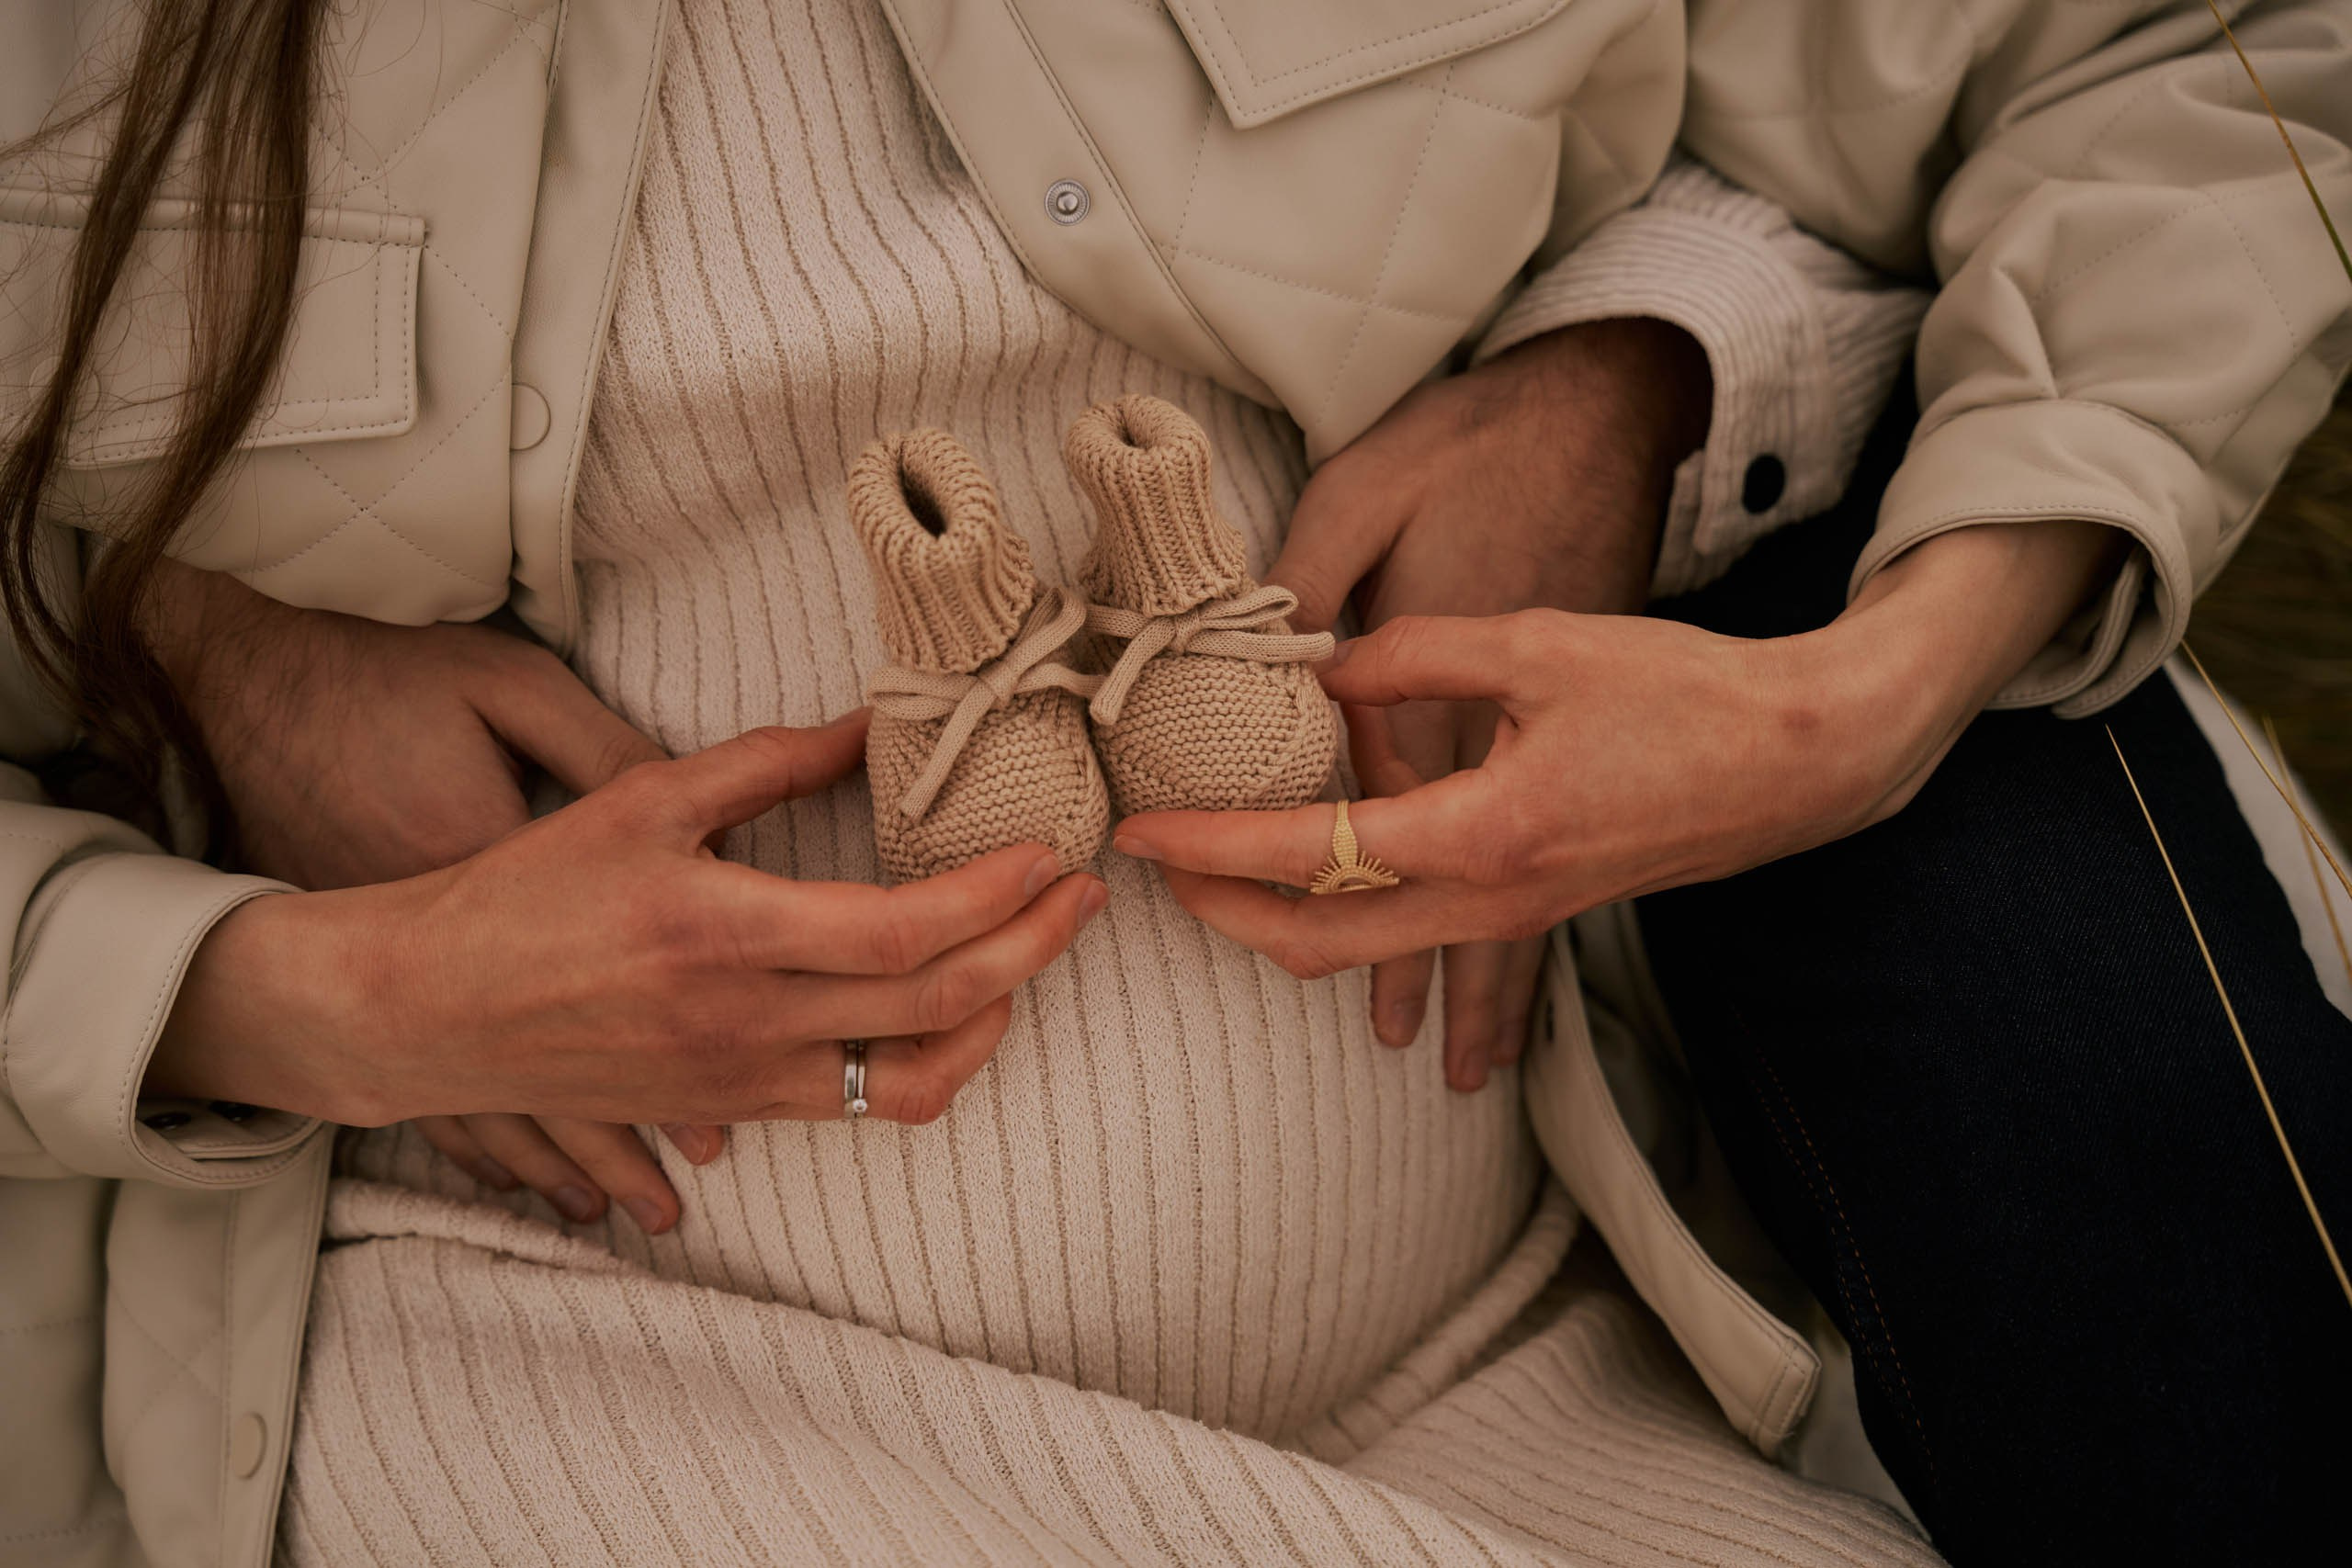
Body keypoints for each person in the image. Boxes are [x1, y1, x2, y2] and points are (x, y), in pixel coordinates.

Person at [1, 3, 2346, 1566]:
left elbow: (2172, 58)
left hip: (1547, 1325)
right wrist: (292, 968)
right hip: (564, 1377)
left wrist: (1681, 423)